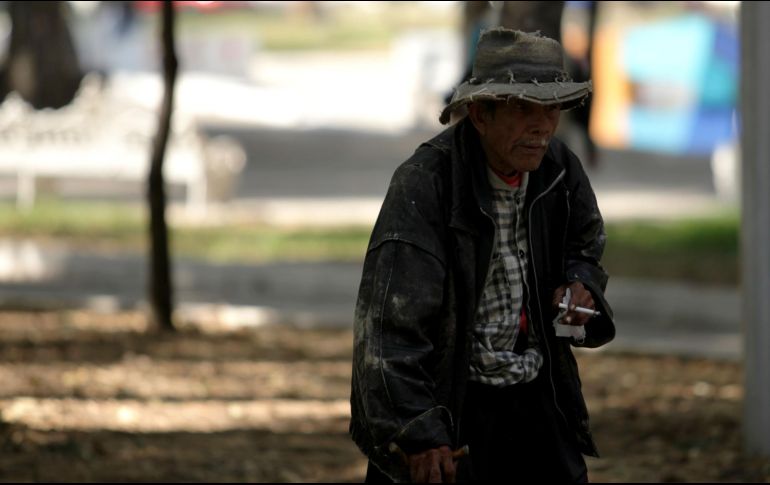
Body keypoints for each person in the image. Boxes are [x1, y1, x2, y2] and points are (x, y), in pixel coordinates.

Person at [349, 28, 615, 483]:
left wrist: (579, 283)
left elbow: (585, 245)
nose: (542, 125)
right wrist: (418, 431)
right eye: (521, 108)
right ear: (479, 114)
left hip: (535, 389)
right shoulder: (426, 183)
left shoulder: (558, 168)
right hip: (452, 399)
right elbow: (390, 328)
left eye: (550, 108)